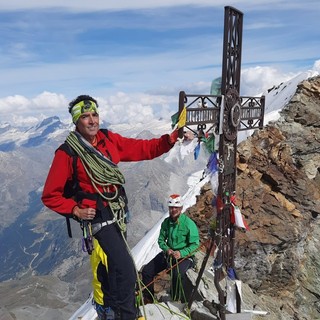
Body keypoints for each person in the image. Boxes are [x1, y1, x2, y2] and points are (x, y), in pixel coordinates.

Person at [41, 95, 179, 320]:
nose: (92, 120)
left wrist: (169, 140)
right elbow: (50, 195)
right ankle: (128, 315)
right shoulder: (67, 153)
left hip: (117, 213)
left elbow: (142, 148)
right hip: (97, 219)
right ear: (76, 122)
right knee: (126, 269)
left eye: (94, 114)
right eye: (85, 116)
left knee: (115, 268)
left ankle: (110, 310)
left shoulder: (108, 139)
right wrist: (75, 210)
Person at [141, 194, 200, 304]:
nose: (173, 210)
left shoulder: (188, 224)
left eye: (176, 208)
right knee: (147, 271)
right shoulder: (166, 223)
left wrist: (181, 253)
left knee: (177, 274)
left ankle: (176, 300)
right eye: (171, 207)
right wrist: (167, 249)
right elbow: (161, 240)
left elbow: (195, 245)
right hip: (169, 254)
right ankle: (149, 299)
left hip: (184, 256)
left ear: (181, 208)